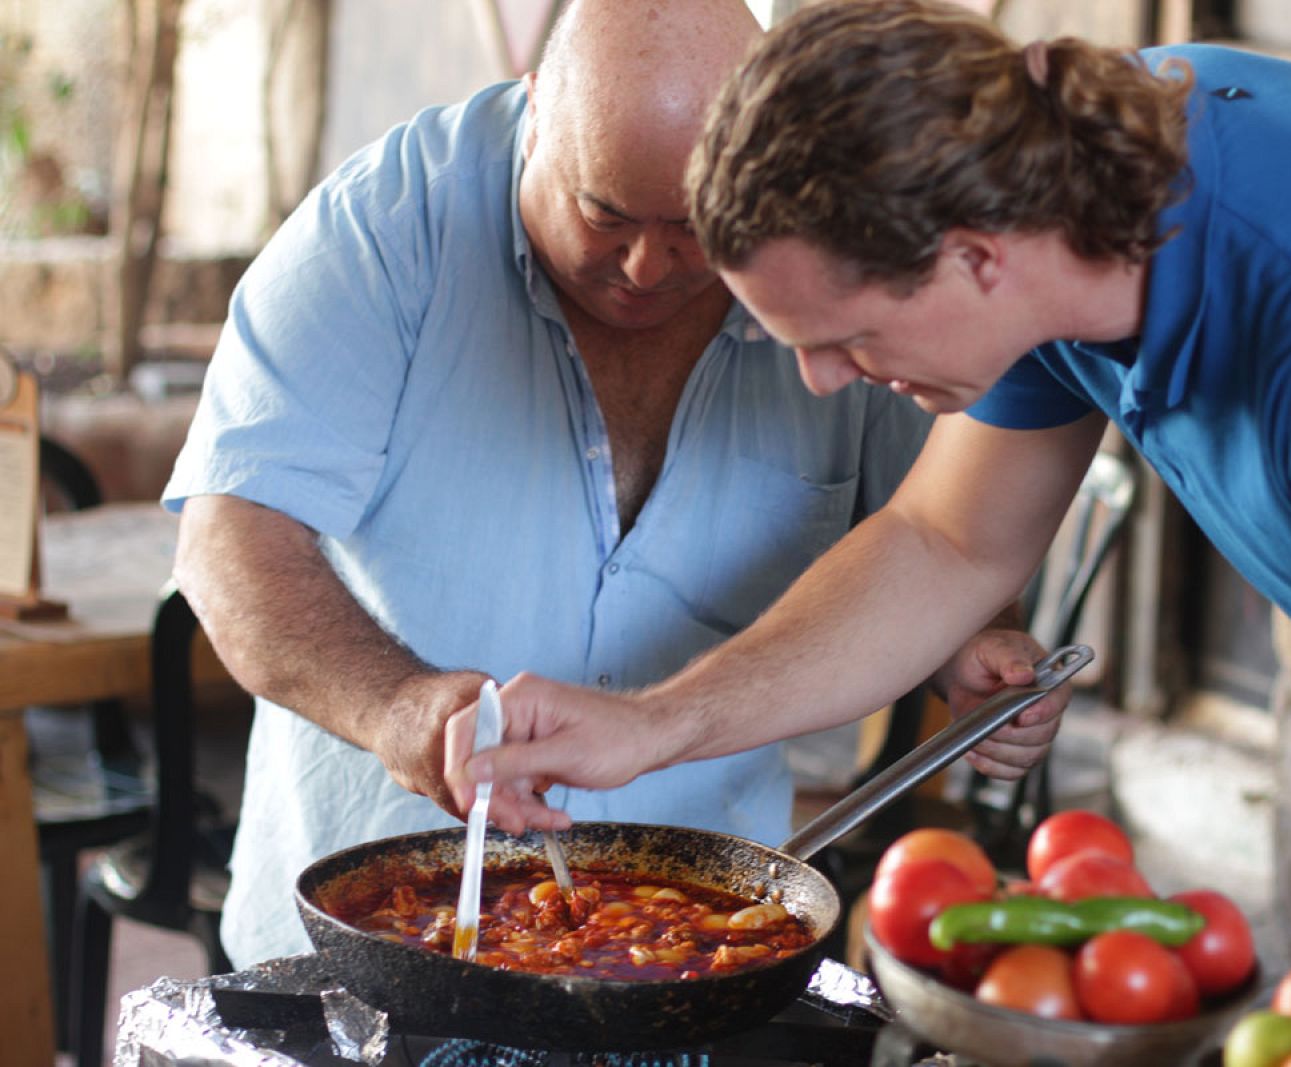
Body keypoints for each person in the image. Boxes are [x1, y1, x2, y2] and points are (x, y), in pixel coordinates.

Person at [450, 0, 1291, 988]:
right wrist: (650, 725)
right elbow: (944, 543)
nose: (821, 378)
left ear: (973, 255)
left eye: (846, 337)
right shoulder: (1063, 194)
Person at [165, 0, 1070, 969]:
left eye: (690, 228)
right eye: (602, 214)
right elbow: (228, 543)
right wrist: (398, 710)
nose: (644, 267)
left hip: (696, 946)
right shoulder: (380, 231)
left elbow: (947, 534)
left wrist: (970, 647)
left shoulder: (826, 262)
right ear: (532, 113)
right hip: (371, 935)